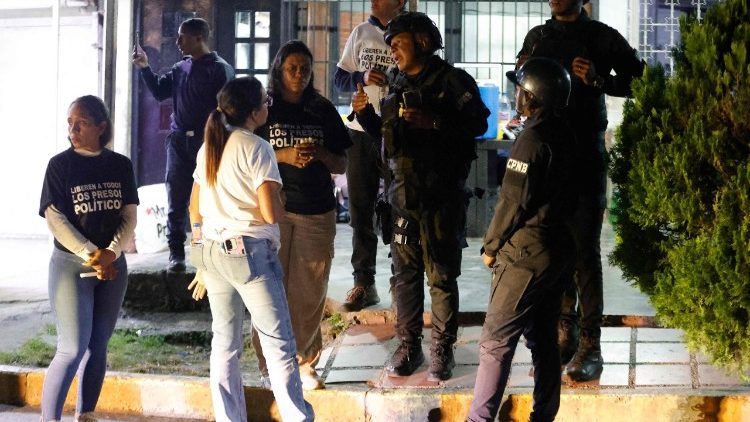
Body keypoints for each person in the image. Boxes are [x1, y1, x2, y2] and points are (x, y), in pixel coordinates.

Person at [353, 12, 490, 381]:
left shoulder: (452, 81)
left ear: (423, 42)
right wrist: (364, 115)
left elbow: (479, 123)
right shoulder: (394, 83)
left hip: (440, 198)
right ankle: (409, 346)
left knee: (441, 277)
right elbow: (386, 139)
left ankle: (442, 349)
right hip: (401, 198)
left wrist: (435, 122)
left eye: (398, 43)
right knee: (405, 276)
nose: (393, 51)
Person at [516, 0, 644, 381]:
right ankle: (565, 332)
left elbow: (640, 81)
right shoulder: (538, 37)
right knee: (552, 249)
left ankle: (591, 345)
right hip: (546, 158)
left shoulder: (602, 38)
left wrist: (600, 81)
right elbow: (523, 87)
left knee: (585, 253)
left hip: (585, 159)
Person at [187, 76, 314, 422]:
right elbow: (270, 213)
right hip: (249, 254)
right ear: (254, 112)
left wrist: (200, 253)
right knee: (278, 345)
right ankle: (297, 417)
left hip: (212, 252)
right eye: (265, 102)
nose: (268, 106)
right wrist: (277, 201)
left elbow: (194, 208)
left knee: (224, 343)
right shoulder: (258, 148)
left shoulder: (209, 147)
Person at [467, 57, 577, 422]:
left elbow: (513, 201)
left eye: (521, 90)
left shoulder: (532, 139)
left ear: (533, 95)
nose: (516, 95)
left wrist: (491, 246)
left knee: (495, 343)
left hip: (526, 254)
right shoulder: (566, 133)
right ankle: (543, 415)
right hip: (557, 250)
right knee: (544, 340)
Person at [252, 40, 352, 390]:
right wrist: (284, 155)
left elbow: (342, 163)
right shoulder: (263, 108)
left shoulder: (321, 109)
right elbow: (246, 155)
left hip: (316, 209)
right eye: (292, 68)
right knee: (269, 289)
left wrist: (321, 153)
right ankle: (269, 363)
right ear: (278, 70)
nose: (299, 74)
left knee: (308, 291)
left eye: (305, 69)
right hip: (272, 210)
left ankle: (305, 362)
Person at [39, 95, 139, 422]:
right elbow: (55, 219)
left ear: (101, 126)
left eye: (81, 123)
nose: (73, 130)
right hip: (71, 266)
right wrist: (92, 254)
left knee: (98, 346)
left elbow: (129, 216)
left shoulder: (120, 164)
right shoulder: (59, 165)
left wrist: (112, 252)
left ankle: (86, 415)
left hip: (113, 265)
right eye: (70, 123)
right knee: (72, 348)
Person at [132, 17, 234, 272]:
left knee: (210, 198)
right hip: (178, 141)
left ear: (199, 38)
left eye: (182, 36)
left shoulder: (220, 70)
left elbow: (228, 111)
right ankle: (176, 253)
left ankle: (212, 252)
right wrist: (144, 67)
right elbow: (159, 91)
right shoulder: (180, 68)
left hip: (207, 142)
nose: (177, 41)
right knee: (176, 197)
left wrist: (222, 142)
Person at [334, 0, 406, 312]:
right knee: (360, 209)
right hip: (360, 132)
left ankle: (400, 280)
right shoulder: (361, 32)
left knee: (400, 208)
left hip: (396, 131)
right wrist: (361, 78)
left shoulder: (410, 33)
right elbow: (339, 78)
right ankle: (363, 282)